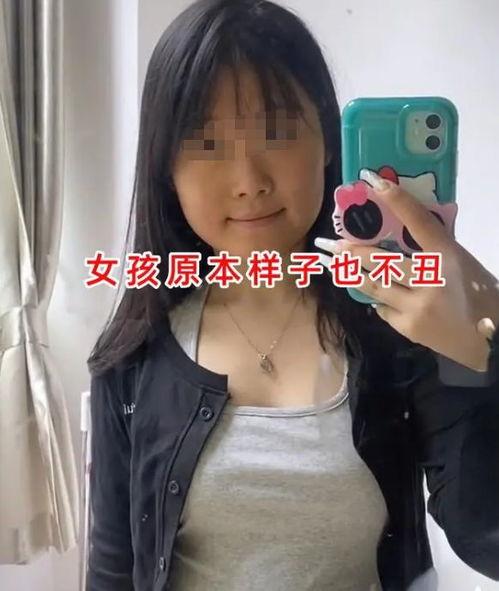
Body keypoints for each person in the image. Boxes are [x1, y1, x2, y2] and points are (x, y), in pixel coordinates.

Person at [85, 1, 499, 589]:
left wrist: (481, 347)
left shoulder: (399, 327)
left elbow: (489, 540)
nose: (248, 181)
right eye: (206, 142)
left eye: (277, 132)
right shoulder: (135, 354)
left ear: (327, 140)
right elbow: (112, 570)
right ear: (164, 167)